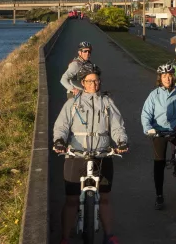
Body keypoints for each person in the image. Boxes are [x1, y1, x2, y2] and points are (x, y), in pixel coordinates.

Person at [53, 65, 127, 244]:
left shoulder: (107, 103)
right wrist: (60, 141)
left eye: (96, 80)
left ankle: (109, 235)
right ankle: (65, 237)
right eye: (89, 81)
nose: (93, 84)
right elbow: (61, 126)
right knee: (71, 200)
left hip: (102, 154)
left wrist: (121, 141)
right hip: (76, 155)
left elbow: (117, 126)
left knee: (105, 198)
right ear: (82, 83)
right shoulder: (72, 103)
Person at [141, 62, 176, 210]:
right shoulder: (154, 95)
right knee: (159, 162)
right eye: (164, 76)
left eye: (170, 76)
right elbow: (146, 114)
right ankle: (159, 195)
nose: (168, 79)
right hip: (160, 131)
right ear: (160, 78)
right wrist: (148, 128)